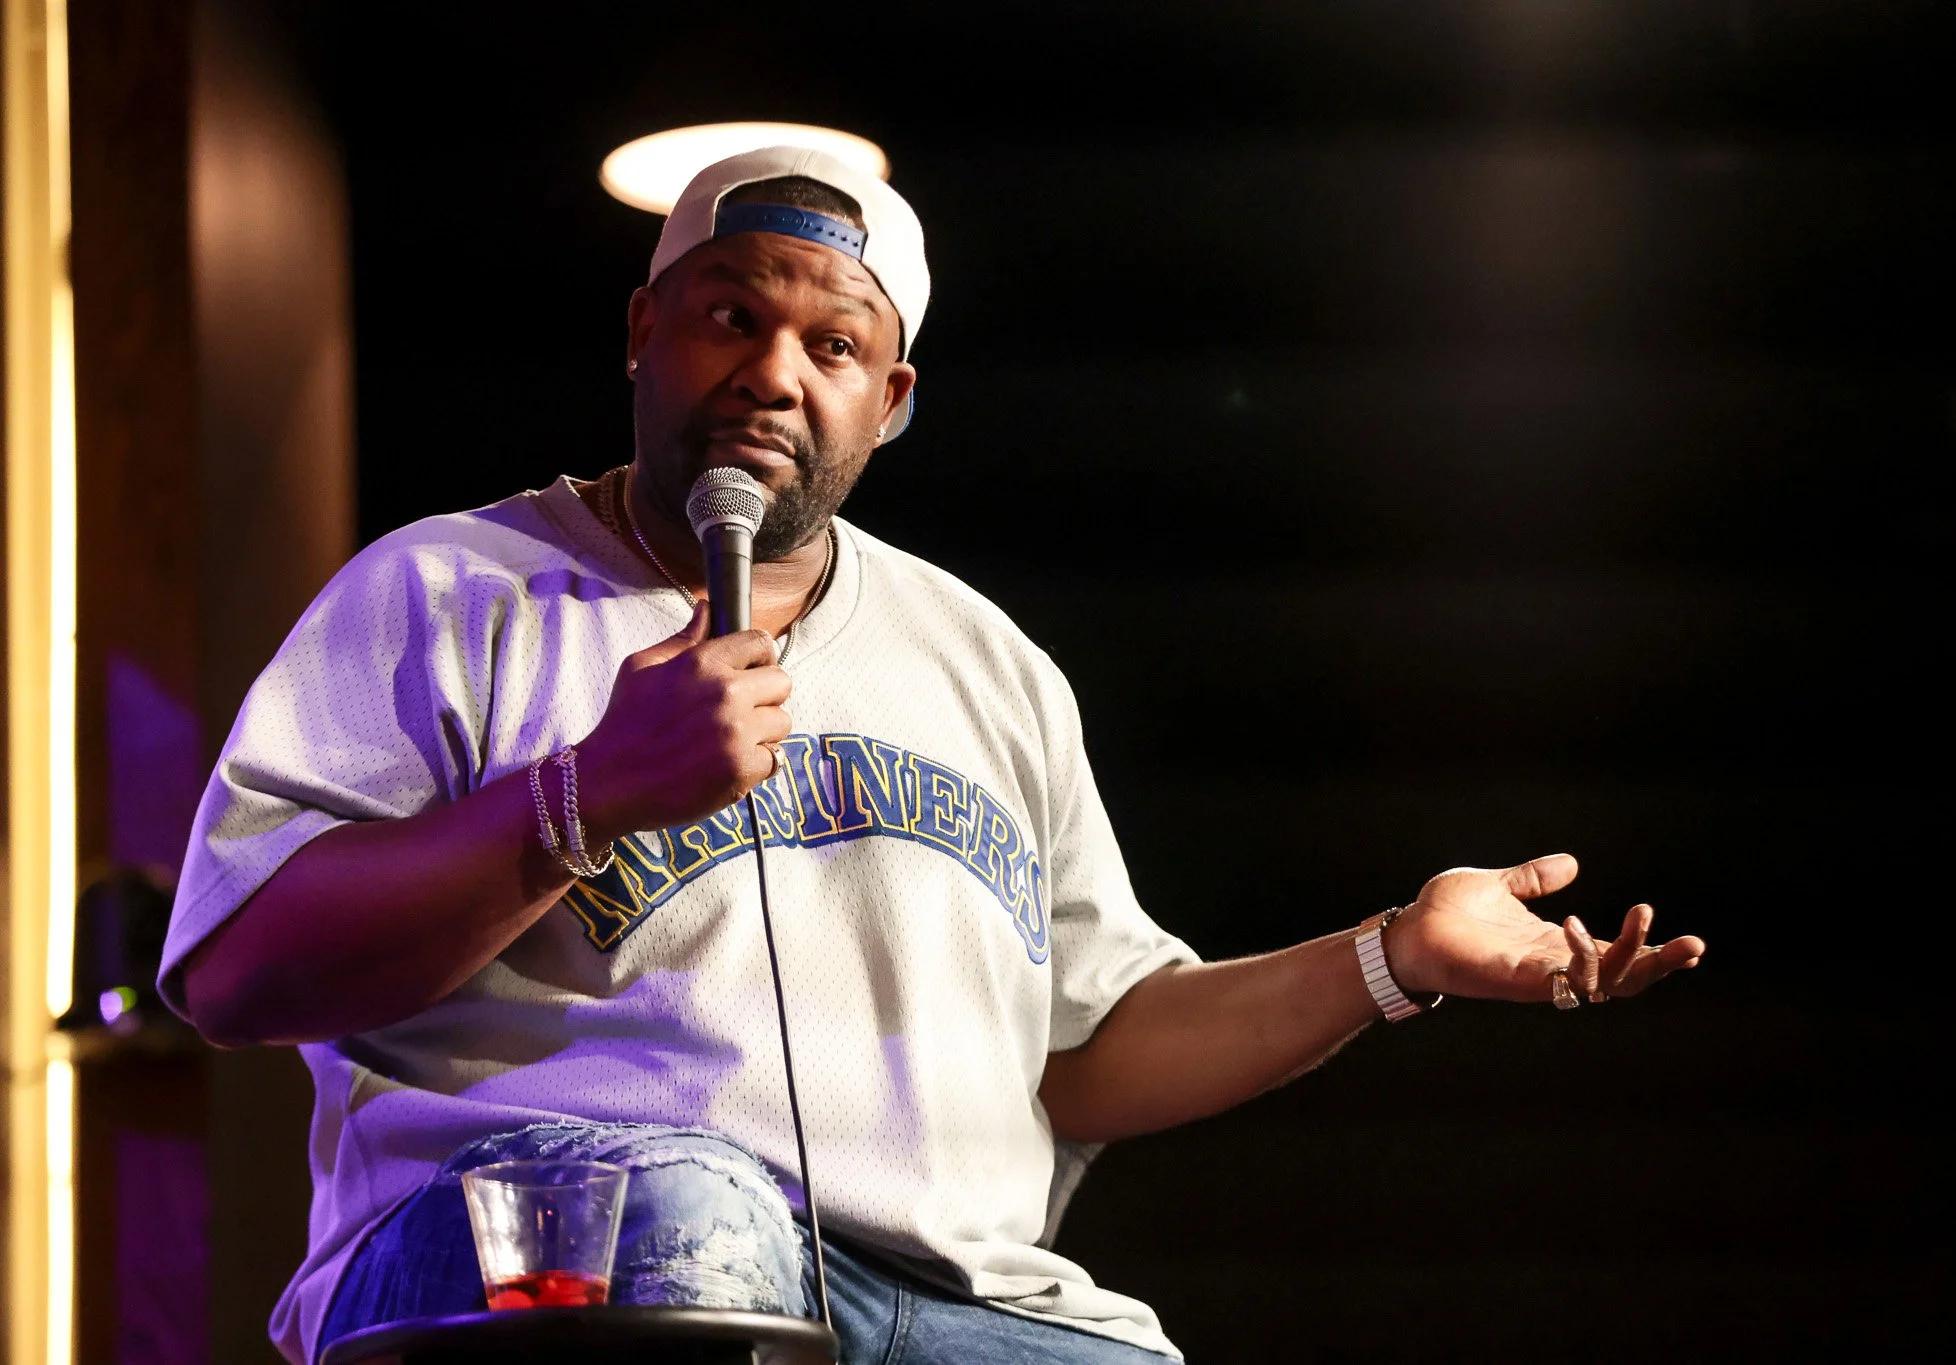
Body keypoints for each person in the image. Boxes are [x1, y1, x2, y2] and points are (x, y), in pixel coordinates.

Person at [160, 145, 1706, 1365]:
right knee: (693, 1217)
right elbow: (235, 972)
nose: (776, 372)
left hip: (943, 1300)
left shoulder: (988, 665)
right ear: (643, 332)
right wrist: (584, 796)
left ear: (888, 402)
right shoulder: (446, 594)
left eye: (833, 343)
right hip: (550, 1251)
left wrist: (1395, 957)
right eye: (731, 317)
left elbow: (1091, 1049)